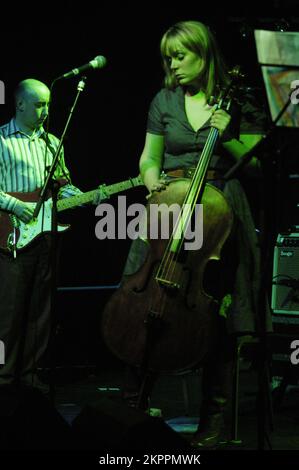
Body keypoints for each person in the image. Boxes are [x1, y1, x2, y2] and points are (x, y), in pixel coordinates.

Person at [120, 20, 272, 447]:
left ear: (204, 54)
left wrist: (228, 139)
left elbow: (259, 169)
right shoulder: (164, 100)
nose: (173, 64)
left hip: (221, 208)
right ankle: (134, 402)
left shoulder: (242, 101)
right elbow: (149, 157)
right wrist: (152, 180)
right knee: (145, 300)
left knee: (215, 314)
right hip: (171, 205)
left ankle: (215, 416)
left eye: (180, 56)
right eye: (168, 57)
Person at [0, 78, 100, 393]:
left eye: (48, 104)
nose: (46, 111)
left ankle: (30, 376)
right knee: (10, 312)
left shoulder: (52, 143)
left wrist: (87, 195)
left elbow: (62, 184)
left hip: (45, 237)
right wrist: (17, 205)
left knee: (39, 312)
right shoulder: (1, 140)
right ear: (20, 104)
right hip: (12, 236)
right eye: (39, 104)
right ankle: (4, 379)